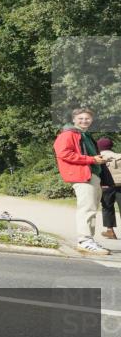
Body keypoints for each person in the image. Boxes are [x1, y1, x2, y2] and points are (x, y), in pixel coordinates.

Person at [54, 108, 108, 255]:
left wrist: (97, 160)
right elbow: (63, 153)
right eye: (81, 118)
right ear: (74, 119)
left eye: (87, 118)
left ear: (92, 120)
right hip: (82, 175)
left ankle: (88, 240)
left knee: (91, 208)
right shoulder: (68, 134)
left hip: (92, 175)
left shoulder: (85, 135)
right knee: (87, 208)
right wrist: (91, 159)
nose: (84, 121)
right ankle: (84, 241)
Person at [96, 137, 121, 241]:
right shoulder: (119, 156)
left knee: (107, 207)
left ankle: (110, 231)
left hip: (106, 186)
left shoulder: (99, 158)